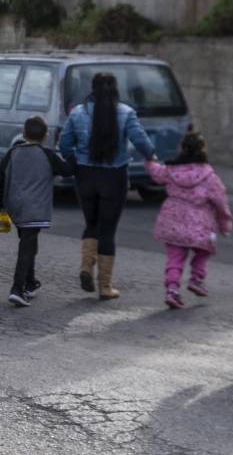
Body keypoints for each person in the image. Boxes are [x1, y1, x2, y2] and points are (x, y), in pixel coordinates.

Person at [59, 72, 155, 300]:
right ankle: (105, 286)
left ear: (91, 88)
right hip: (114, 177)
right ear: (115, 89)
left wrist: (75, 162)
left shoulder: (78, 113)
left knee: (91, 223)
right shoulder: (126, 113)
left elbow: (65, 143)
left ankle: (85, 267)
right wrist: (152, 156)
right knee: (108, 230)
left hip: (86, 175)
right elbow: (141, 140)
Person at [144, 130, 233, 310]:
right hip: (199, 223)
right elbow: (220, 201)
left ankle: (172, 290)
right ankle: (197, 278)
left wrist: (149, 158)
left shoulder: (171, 170)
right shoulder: (209, 177)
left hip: (173, 220)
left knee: (174, 258)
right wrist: (225, 224)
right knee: (204, 250)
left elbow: (155, 172)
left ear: (182, 148)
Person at [0, 116, 74, 306]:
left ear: (23, 132)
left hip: (15, 207)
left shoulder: (13, 153)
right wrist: (74, 154)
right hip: (35, 208)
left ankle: (30, 282)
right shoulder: (47, 154)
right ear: (45, 136)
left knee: (28, 242)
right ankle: (17, 288)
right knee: (27, 247)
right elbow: (67, 170)